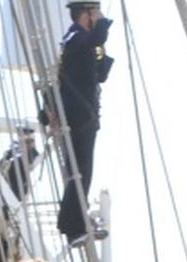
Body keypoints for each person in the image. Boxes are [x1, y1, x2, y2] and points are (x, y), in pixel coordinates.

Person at [56, 1, 113, 246]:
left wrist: (100, 47)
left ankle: (77, 223)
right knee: (79, 173)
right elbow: (96, 37)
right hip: (77, 115)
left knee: (82, 172)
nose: (99, 17)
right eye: (95, 13)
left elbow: (100, 75)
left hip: (85, 115)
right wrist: (101, 25)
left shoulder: (84, 42)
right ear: (85, 15)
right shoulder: (74, 37)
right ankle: (72, 227)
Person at [2, 125, 39, 202]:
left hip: (21, 189)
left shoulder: (33, 154)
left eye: (31, 141)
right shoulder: (13, 151)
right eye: (27, 142)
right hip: (11, 186)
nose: (29, 144)